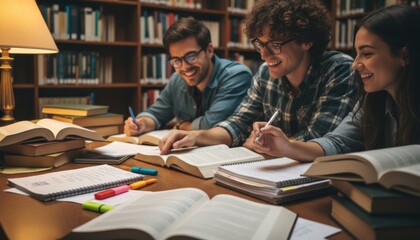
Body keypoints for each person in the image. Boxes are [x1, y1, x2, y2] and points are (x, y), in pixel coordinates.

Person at [160, 0, 357, 154]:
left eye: (275, 44)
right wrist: (195, 137)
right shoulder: (265, 73)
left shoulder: (338, 68)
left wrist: (270, 143)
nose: (264, 54)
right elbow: (238, 123)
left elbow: (319, 140)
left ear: (306, 41)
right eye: (260, 44)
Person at [250, 4, 420, 161]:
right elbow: (336, 143)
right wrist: (287, 146)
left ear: (404, 56)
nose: (355, 64)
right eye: (356, 53)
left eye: (367, 54)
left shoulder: (339, 69)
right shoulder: (372, 100)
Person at [124, 17, 253, 135]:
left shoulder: (236, 76)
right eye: (176, 60)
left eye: (191, 56)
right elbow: (156, 113)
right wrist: (142, 123)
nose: (184, 67)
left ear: (209, 51)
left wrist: (180, 125)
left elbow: (211, 126)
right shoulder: (177, 80)